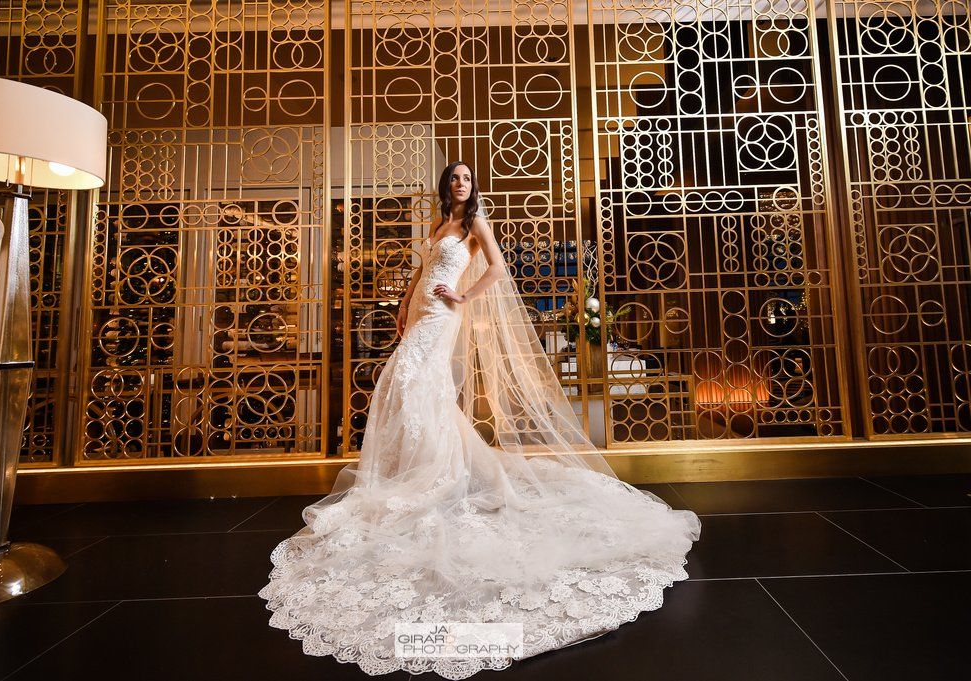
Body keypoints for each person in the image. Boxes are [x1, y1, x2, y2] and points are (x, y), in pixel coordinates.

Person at [259, 161, 701, 679]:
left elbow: (496, 269)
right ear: (445, 185)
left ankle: (435, 474)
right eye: (454, 179)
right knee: (408, 389)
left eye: (467, 179)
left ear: (474, 188)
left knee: (411, 385)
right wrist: (404, 305)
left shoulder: (474, 225)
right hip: (420, 312)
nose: (460, 185)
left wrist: (463, 297)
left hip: (444, 317)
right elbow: (425, 272)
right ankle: (419, 466)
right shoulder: (439, 226)